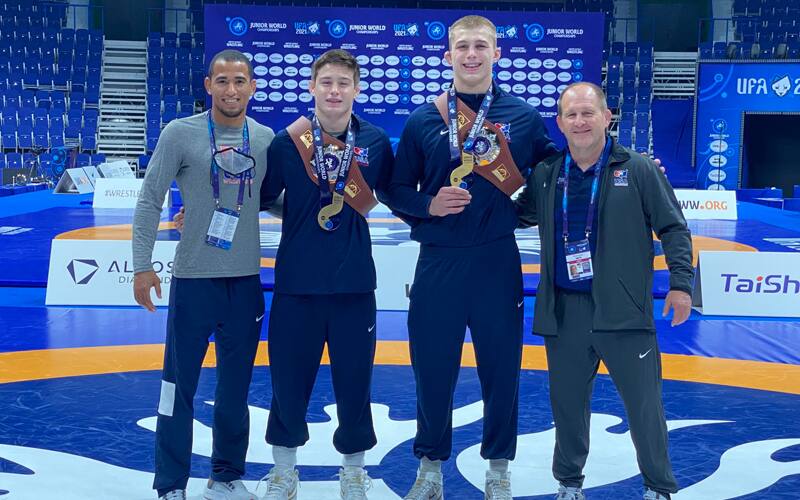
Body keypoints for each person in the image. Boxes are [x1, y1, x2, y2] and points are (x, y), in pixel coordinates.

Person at [386, 15, 558, 499]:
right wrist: (428, 205)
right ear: (448, 55)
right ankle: (430, 469)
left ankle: (499, 469)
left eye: (481, 45)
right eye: (462, 46)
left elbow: (553, 174)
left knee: (501, 369)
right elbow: (395, 188)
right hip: (438, 262)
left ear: (496, 54)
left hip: (496, 262)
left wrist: (520, 215)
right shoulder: (424, 119)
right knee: (433, 369)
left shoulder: (524, 117)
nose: (471, 54)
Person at [514, 82, 693, 500]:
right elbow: (513, 216)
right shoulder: (546, 174)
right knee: (568, 408)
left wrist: (681, 284)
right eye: (571, 115)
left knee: (644, 407)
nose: (579, 121)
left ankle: (658, 487)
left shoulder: (640, 168)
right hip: (565, 312)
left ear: (606, 116)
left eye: (587, 112)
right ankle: (569, 484)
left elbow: (673, 228)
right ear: (559, 123)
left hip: (624, 312)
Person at [132, 49, 274, 500]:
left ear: (252, 87)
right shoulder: (181, 133)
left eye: (240, 81)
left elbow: (271, 200)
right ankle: (171, 484)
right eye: (222, 81)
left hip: (245, 283)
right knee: (179, 387)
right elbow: (150, 199)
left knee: (236, 389)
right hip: (193, 281)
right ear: (208, 85)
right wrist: (141, 265)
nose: (231, 90)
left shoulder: (267, 138)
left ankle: (227, 477)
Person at [255, 49, 394, 500]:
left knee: (355, 382)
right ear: (312, 88)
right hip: (297, 283)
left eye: (343, 83)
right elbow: (262, 198)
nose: (335, 91)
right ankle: (284, 471)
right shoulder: (286, 143)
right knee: (288, 381)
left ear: (356, 89)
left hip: (355, 284)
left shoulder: (374, 142)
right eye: (327, 82)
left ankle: (353, 471)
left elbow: (397, 194)